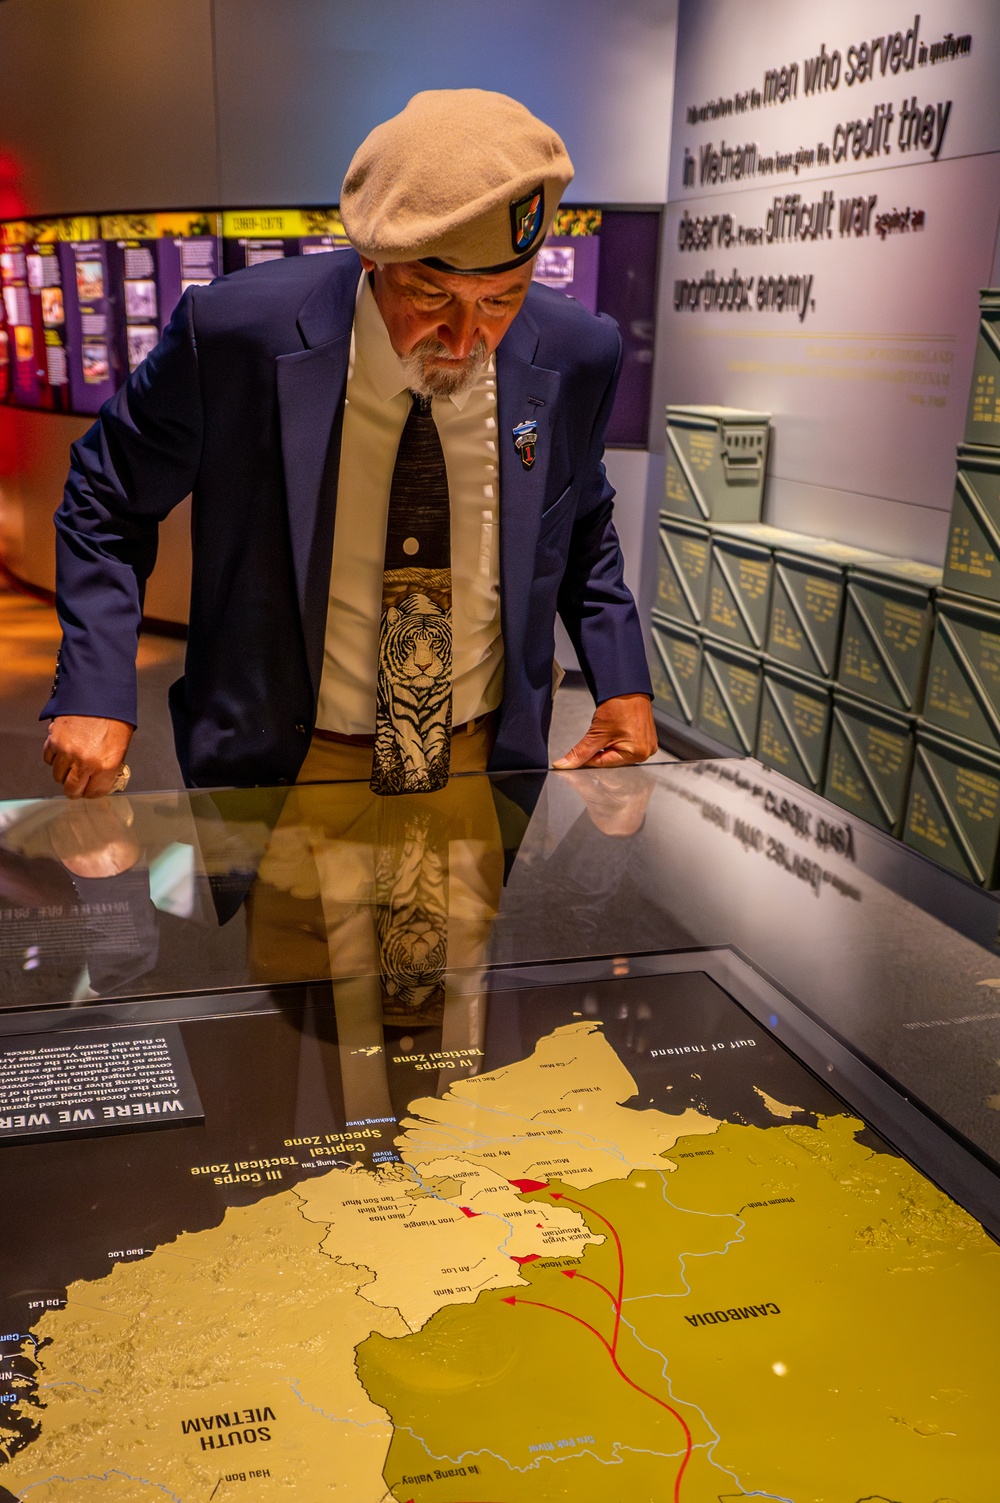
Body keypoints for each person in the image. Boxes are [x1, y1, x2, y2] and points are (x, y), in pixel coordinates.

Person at [40, 88, 655, 799]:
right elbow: (105, 494)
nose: (466, 339)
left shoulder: (577, 351)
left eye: (501, 298)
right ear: (373, 260)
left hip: (478, 760)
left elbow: (579, 521)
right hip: (293, 768)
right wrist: (95, 680)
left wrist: (619, 679)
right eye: (431, 296)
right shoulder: (238, 336)